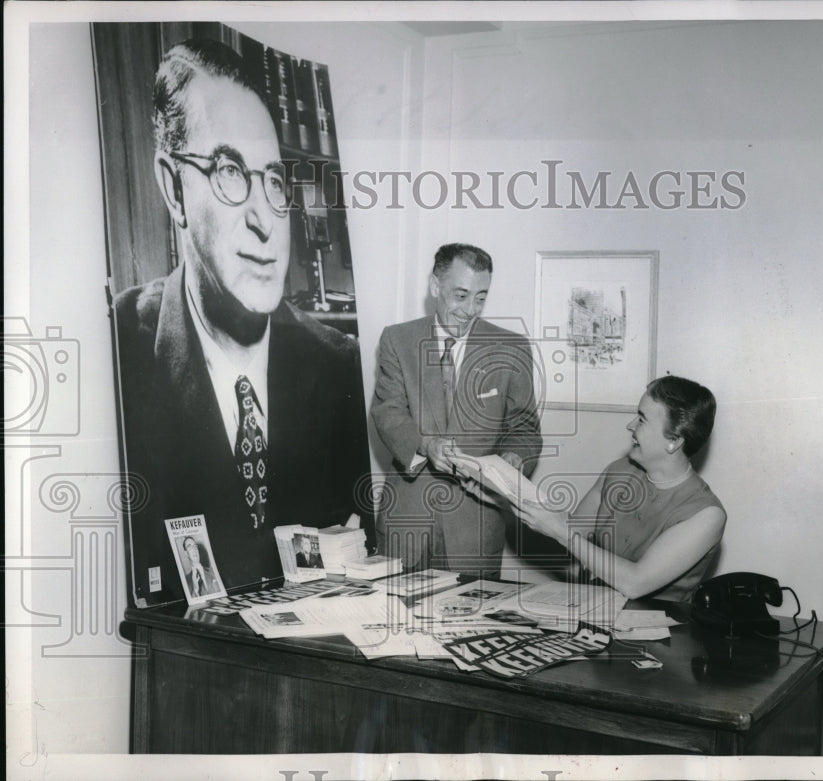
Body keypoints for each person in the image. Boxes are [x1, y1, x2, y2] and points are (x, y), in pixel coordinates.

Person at [112, 39, 370, 603]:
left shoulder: (337, 364)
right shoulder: (119, 349)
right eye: (230, 171)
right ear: (174, 187)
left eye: (273, 180)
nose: (263, 219)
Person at [371, 243, 542, 579]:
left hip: (475, 531)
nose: (470, 310)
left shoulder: (512, 348)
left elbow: (524, 428)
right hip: (407, 522)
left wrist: (514, 459)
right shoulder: (397, 340)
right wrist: (425, 446)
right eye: (461, 296)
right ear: (436, 286)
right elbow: (388, 412)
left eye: (481, 297)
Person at [510, 375, 726, 601]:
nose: (630, 425)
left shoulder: (707, 515)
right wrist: (507, 496)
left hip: (658, 628)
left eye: (642, 420)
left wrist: (560, 530)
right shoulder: (619, 471)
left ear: (674, 440)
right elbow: (572, 531)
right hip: (593, 611)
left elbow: (635, 583)